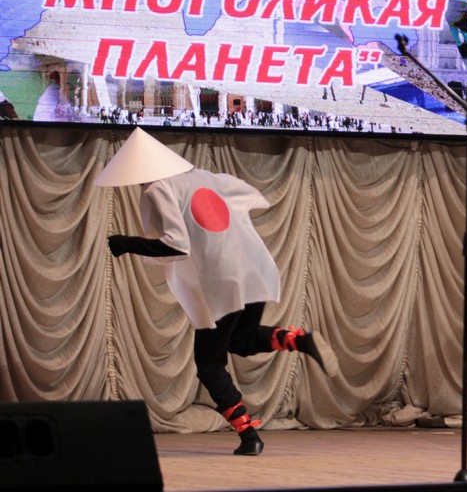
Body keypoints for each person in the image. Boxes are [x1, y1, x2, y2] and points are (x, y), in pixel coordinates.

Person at [95, 128, 339, 455]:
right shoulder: (205, 177)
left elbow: (175, 245)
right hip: (252, 270)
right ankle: (300, 340)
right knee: (241, 341)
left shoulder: (158, 188)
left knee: (209, 364)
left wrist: (125, 243)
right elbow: (251, 196)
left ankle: (249, 436)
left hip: (221, 282)